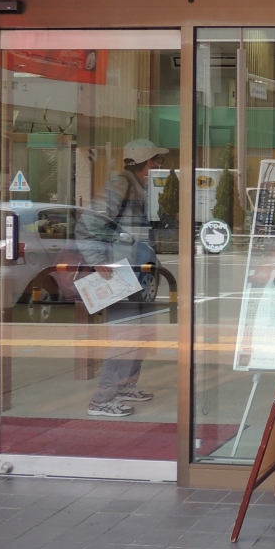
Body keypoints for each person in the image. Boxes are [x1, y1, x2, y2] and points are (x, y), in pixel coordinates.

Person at [76, 138, 168, 418]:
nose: (159, 165)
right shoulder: (120, 185)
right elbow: (87, 224)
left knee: (140, 334)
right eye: (157, 160)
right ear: (147, 162)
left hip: (139, 274)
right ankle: (102, 399)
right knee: (123, 337)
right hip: (122, 274)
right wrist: (97, 260)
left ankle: (126, 385)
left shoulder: (140, 187)